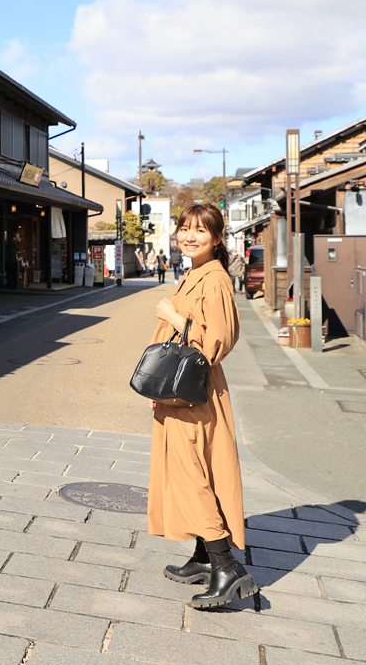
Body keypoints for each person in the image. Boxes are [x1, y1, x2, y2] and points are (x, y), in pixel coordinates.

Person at [147, 203, 257, 609]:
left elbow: (217, 341)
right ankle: (202, 558)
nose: (189, 236)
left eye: (200, 230)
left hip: (195, 394)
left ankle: (227, 567)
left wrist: (172, 316)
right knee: (197, 468)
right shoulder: (196, 272)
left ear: (216, 238)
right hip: (182, 391)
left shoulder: (215, 279)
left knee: (192, 473)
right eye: (184, 228)